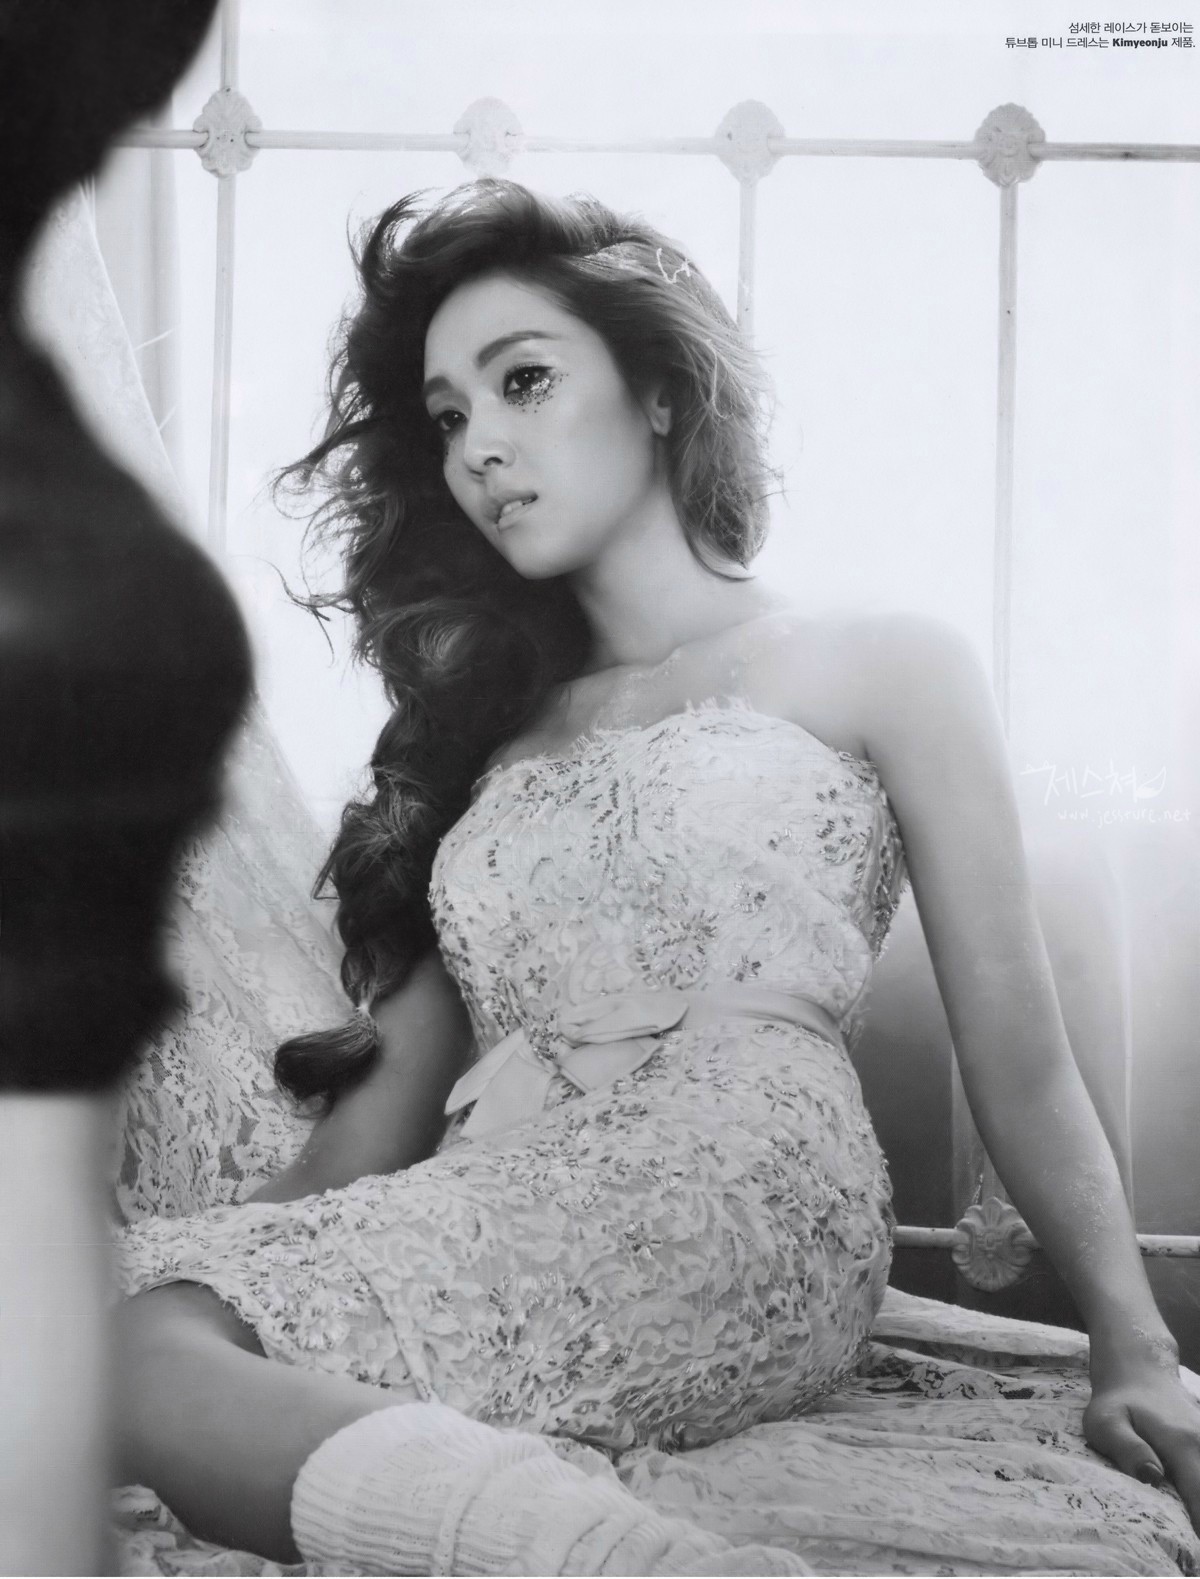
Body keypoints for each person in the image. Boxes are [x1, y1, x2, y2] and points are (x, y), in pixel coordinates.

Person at [113, 178, 1200, 1576]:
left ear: (662, 393)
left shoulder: (882, 660)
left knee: (129, 1356)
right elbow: (383, 1115)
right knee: (88, 1338)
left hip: (748, 1188)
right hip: (511, 1188)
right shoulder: (481, 743)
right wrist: (208, 1258)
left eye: (523, 381)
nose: (480, 447)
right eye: (447, 418)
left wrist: (1135, 1345)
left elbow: (1025, 1061)